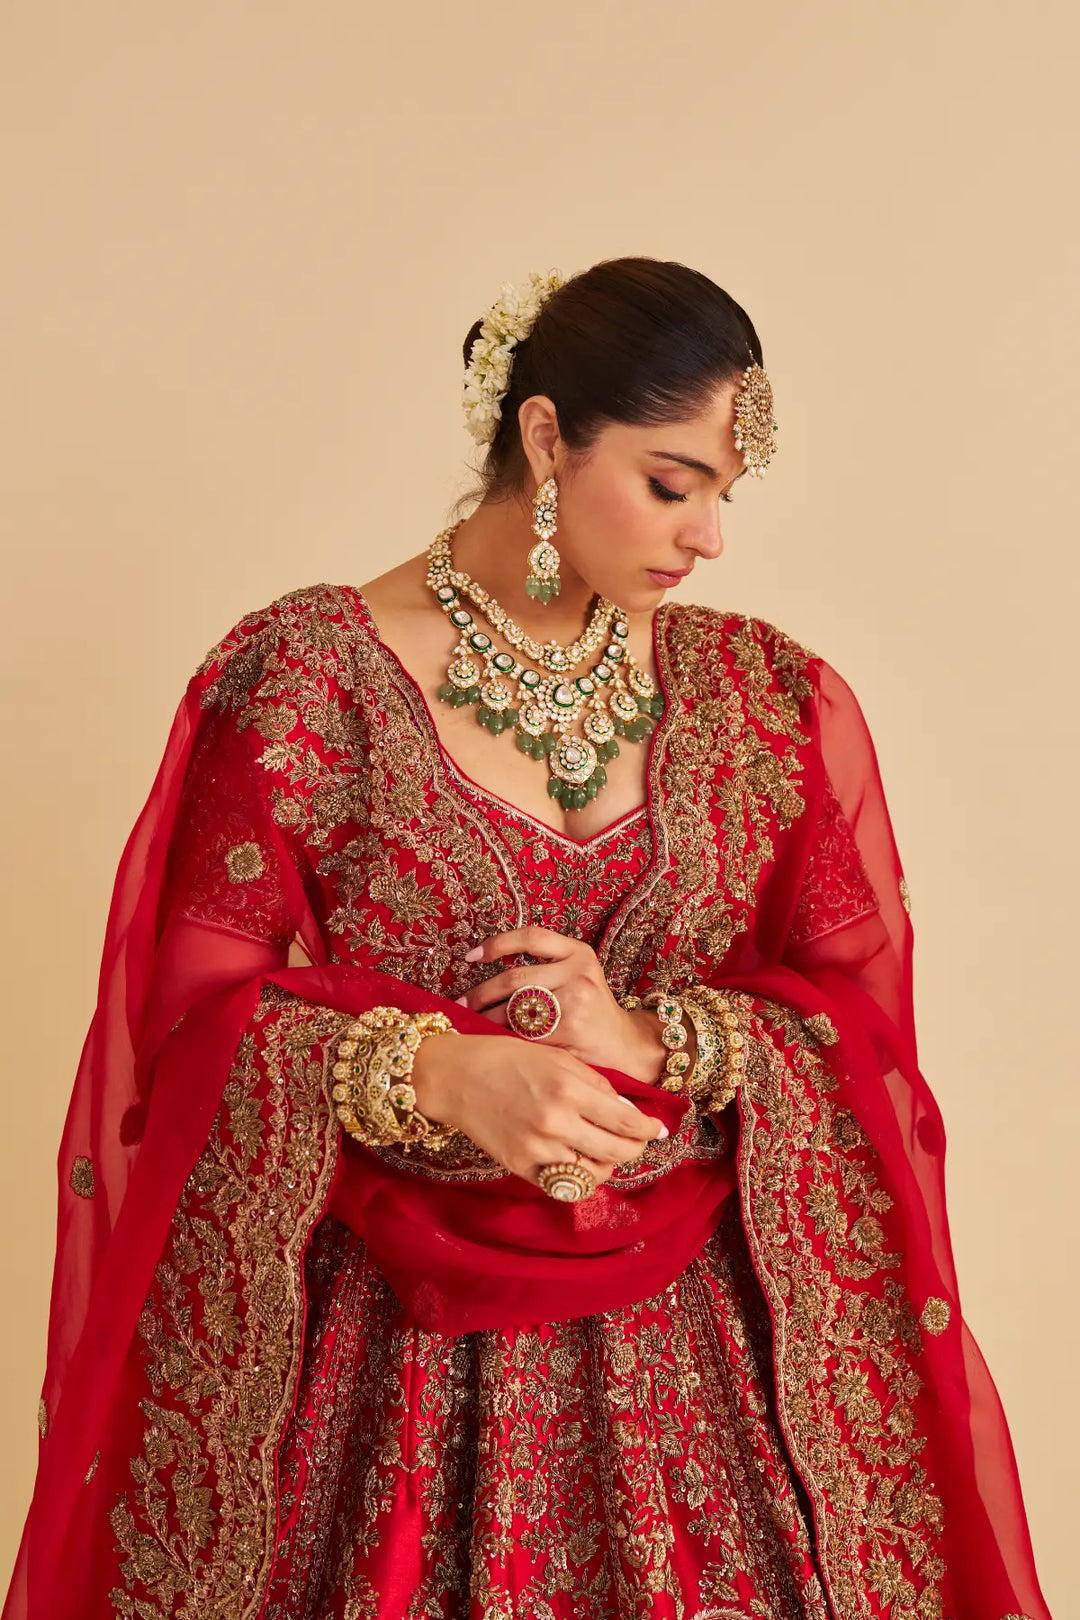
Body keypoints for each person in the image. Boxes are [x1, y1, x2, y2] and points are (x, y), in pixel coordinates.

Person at [2, 256, 1052, 1620]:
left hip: (710, 1399)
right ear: (549, 436)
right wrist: (431, 1072)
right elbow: (188, 1024)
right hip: (384, 1385)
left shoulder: (767, 699)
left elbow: (855, 1029)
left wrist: (659, 1036)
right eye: (675, 483)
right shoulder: (310, 680)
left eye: (727, 493)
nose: (709, 536)